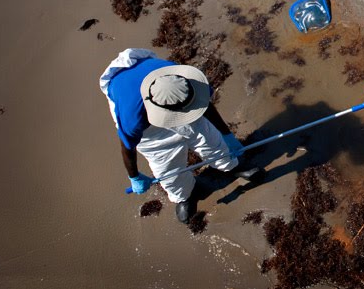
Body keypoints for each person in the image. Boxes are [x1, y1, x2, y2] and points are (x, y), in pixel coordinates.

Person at [100, 49, 260, 224]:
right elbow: (127, 147)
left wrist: (227, 135)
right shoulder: (132, 118)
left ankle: (230, 165)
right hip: (146, 124)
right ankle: (184, 194)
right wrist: (135, 177)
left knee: (207, 137)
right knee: (165, 164)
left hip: (166, 88)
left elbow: (205, 105)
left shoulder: (186, 82)